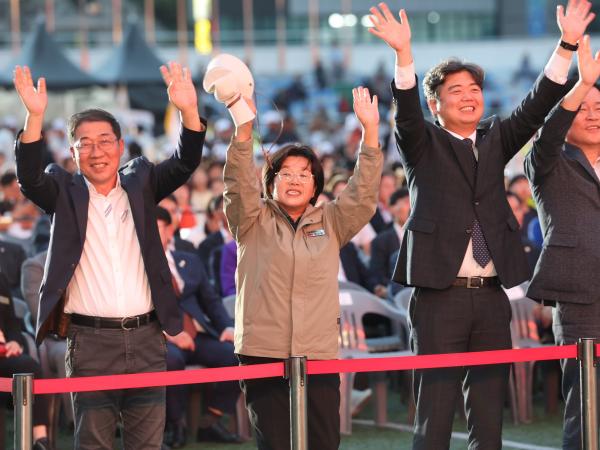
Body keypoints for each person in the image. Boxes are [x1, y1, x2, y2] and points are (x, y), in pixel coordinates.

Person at [369, 1, 592, 448]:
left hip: (492, 298)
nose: (469, 95)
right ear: (437, 104)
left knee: (489, 419)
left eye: (474, 87)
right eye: (456, 90)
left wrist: (566, 45)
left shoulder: (496, 140)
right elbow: (407, 114)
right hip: (438, 297)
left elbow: (536, 104)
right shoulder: (423, 142)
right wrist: (404, 55)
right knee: (433, 417)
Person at [13, 62, 206, 450]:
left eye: (105, 141)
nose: (96, 151)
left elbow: (185, 162)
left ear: (120, 146)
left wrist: (188, 111)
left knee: (146, 444)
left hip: (149, 337)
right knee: (94, 443)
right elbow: (30, 177)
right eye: (85, 143)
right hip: (89, 342)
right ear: (72, 150)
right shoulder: (63, 192)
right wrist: (34, 117)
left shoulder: (142, 183)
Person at [223, 86, 383, 450]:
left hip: (319, 350)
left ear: (315, 187)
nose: (294, 180)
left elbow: (363, 194)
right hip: (263, 349)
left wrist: (370, 133)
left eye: (304, 174)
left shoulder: (333, 220)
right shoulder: (250, 218)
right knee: (276, 443)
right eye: (286, 173)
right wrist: (243, 130)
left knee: (324, 441)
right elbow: (237, 184)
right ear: (271, 180)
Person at [524, 35, 600, 450]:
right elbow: (548, 135)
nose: (592, 115)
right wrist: (580, 86)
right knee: (585, 404)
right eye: (583, 110)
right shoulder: (548, 161)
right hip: (580, 298)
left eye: (599, 108)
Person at [155, 206, 240, 447]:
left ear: (169, 230)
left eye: (157, 227)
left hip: (197, 332)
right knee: (171, 361)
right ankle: (175, 425)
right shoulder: (137, 264)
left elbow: (210, 299)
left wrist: (226, 326)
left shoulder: (189, 260)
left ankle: (210, 421)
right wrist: (171, 333)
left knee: (234, 354)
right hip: (161, 336)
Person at [0, 272, 53, 450]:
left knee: (28, 366)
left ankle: (41, 441)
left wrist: (14, 341)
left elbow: (12, 322)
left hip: (3, 354)